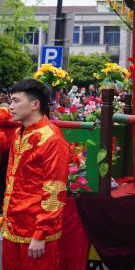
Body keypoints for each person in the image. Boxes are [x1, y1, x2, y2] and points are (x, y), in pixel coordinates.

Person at [0, 79, 69, 270]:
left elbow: (55, 190)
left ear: (35, 104)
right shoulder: (18, 133)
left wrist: (41, 233)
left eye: (15, 101)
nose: (10, 107)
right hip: (12, 226)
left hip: (36, 232)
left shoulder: (51, 139)